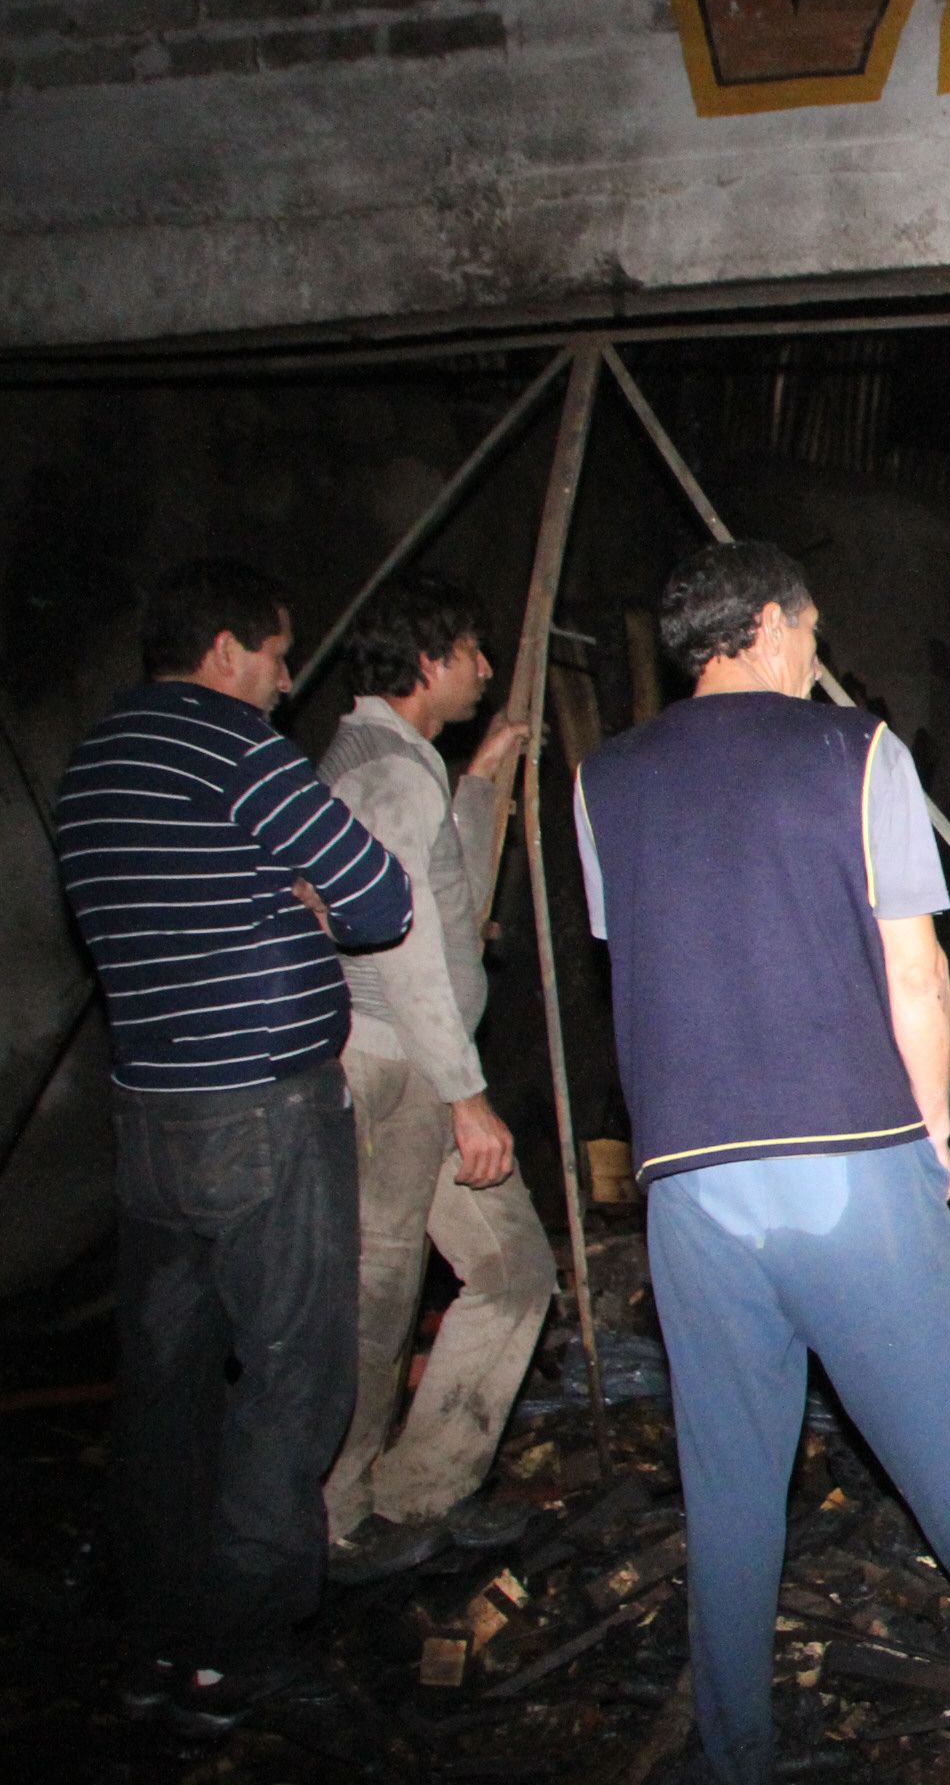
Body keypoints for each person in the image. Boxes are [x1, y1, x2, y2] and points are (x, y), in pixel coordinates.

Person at [575, 542, 950, 1783]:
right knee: (948, 1432)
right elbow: (915, 967)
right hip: (843, 1155)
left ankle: (735, 1744)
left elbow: (639, 950)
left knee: (728, 1477)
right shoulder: (854, 751)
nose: (815, 658)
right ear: (769, 626)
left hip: (687, 1180)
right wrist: (931, 1135)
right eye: (810, 634)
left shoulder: (603, 780)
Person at [54, 558, 413, 1732]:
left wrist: (275, 892)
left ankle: (159, 1635)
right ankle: (242, 1647)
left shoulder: (98, 761)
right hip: (263, 1109)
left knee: (164, 1388)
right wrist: (305, 901)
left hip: (149, 1112)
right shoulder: (236, 747)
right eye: (275, 654)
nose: (286, 678)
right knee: (291, 1377)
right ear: (223, 650)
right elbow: (379, 898)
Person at [318, 574, 556, 1583]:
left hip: (421, 1065)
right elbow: (401, 951)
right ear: (427, 662)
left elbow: (433, 878)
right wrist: (466, 1097)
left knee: (514, 1268)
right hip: (392, 1069)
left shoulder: (409, 768)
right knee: (375, 1298)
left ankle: (421, 1487)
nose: (486, 669)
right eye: (470, 652)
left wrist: (480, 778)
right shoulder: (384, 771)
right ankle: (335, 1518)